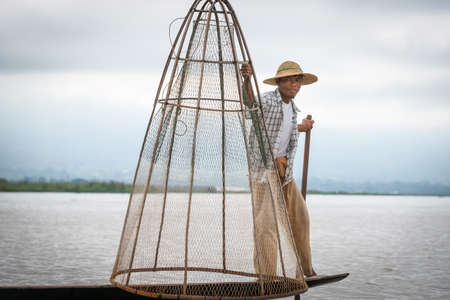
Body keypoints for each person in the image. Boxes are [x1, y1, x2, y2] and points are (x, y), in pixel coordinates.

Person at [241, 60, 317, 278]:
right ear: (280, 82)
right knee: (267, 226)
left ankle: (305, 270)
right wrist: (247, 80)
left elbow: (287, 129)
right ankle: (267, 276)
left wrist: (303, 126)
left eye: (298, 80)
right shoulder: (268, 101)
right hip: (265, 172)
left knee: (300, 218)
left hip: (285, 172)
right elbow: (250, 106)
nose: (294, 84)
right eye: (290, 80)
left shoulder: (292, 108)